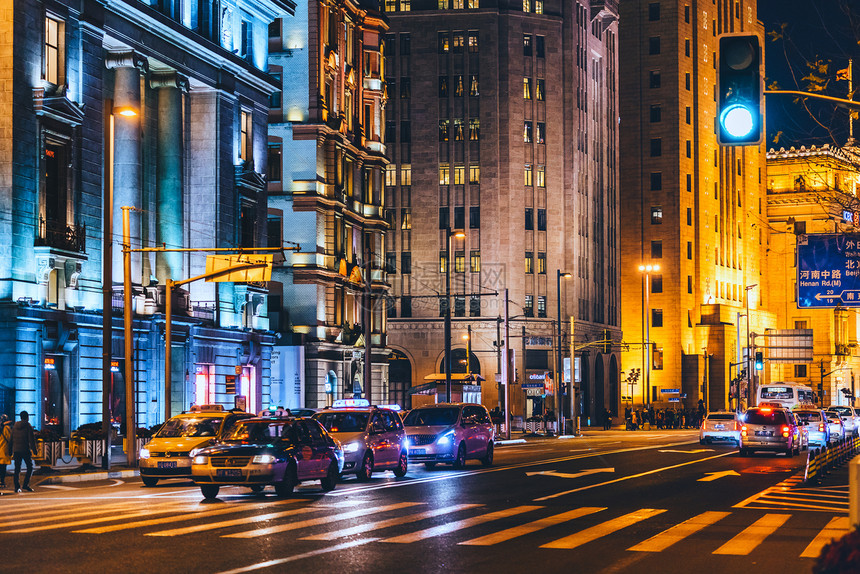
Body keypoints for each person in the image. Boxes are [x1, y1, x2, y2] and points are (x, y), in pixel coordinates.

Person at [11, 410, 37, 493]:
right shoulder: (28, 426)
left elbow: (11, 439)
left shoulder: (15, 426)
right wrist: (34, 450)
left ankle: (17, 487)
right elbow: (31, 440)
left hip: (16, 450)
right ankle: (25, 484)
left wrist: (9, 450)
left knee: (17, 469)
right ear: (27, 417)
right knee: (30, 467)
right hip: (25, 450)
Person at [0, 414, 11, 489]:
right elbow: (9, 438)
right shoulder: (6, 428)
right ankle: (2, 481)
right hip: (3, 450)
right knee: (3, 467)